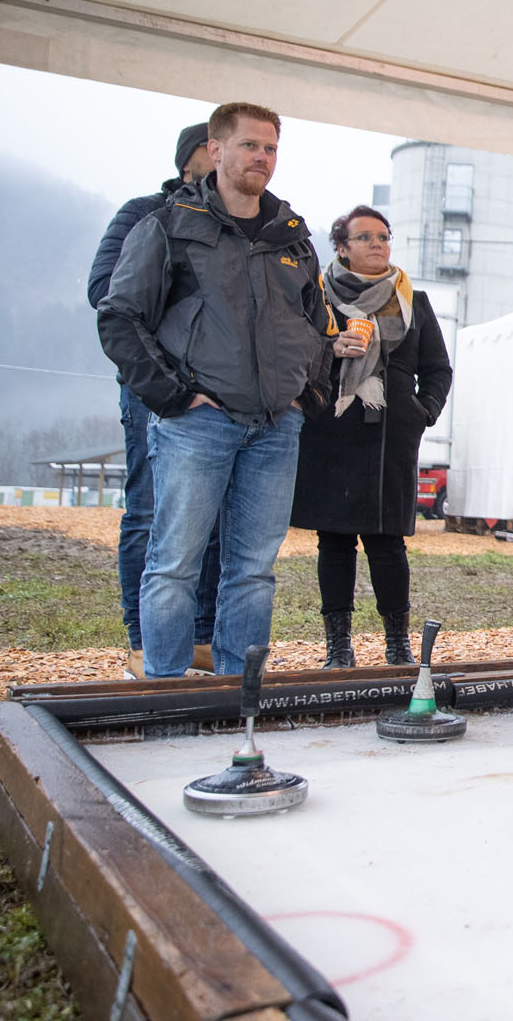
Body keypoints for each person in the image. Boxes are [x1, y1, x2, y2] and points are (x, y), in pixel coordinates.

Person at [98, 102, 329, 678]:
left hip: (275, 427)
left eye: (270, 148)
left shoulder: (293, 238)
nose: (262, 157)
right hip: (198, 422)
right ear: (215, 149)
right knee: (174, 563)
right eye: (250, 145)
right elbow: (119, 316)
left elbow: (318, 326)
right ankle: (165, 692)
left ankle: (239, 695)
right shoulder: (167, 226)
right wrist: (174, 396)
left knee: (253, 571)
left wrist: (306, 394)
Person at [290, 205, 452, 668]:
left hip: (390, 437)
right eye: (365, 237)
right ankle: (338, 646)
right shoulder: (317, 297)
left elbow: (438, 368)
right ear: (342, 247)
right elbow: (294, 353)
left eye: (383, 236)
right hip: (331, 430)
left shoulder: (412, 300)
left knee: (387, 543)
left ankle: (397, 644)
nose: (378, 244)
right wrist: (330, 348)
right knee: (334, 542)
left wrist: (422, 412)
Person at [87, 122, 221, 678]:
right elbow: (104, 291)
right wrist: (185, 316)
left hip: (220, 393)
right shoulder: (144, 213)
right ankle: (145, 643)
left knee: (212, 518)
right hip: (156, 386)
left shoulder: (240, 225)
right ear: (191, 159)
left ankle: (202, 639)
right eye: (216, 147)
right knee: (149, 510)